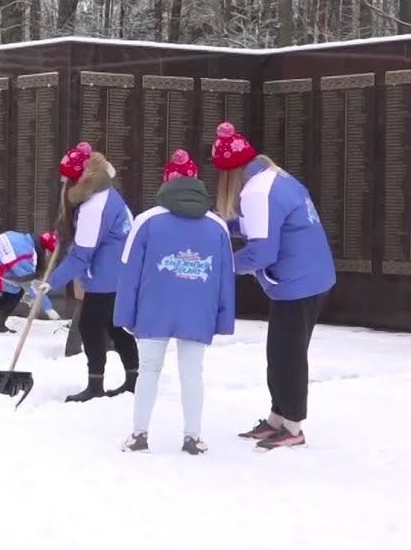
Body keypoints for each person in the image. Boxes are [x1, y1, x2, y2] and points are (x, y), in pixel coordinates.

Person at [211, 122, 335, 451]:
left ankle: (292, 426)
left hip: (299, 282)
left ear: (228, 173)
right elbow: (262, 224)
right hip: (308, 277)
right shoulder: (274, 177)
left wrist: (220, 265)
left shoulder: (256, 192)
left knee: (288, 355)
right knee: (279, 352)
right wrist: (223, 224)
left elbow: (262, 252)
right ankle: (278, 418)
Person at [116, 149, 236, 455]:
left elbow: (129, 270)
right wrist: (223, 319)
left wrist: (126, 315)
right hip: (198, 309)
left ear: (166, 182)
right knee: (192, 373)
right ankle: (192, 437)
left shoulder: (146, 221)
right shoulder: (217, 225)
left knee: (149, 369)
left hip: (154, 307)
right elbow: (226, 275)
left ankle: (139, 435)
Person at [34, 141, 139, 402]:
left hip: (106, 278)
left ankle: (95, 386)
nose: (63, 185)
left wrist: (52, 281)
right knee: (115, 327)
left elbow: (82, 255)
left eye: (65, 180)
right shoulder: (107, 193)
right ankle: (133, 381)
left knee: (90, 325)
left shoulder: (94, 207)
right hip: (120, 273)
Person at [0, 230, 58, 332]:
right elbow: (28, 283)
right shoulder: (26, 253)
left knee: (12, 290)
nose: (47, 256)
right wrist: (47, 307)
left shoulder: (23, 240)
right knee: (16, 292)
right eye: (48, 252)